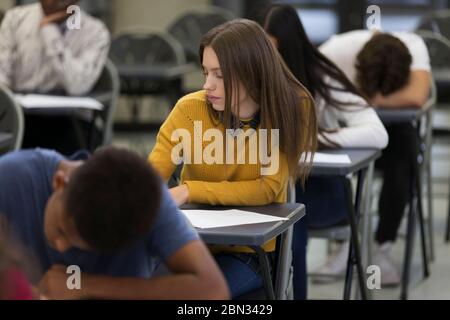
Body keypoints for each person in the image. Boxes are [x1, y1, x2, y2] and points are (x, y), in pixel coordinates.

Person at [148, 19, 318, 298]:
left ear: (252, 73)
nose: (207, 85)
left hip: (249, 254)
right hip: (189, 244)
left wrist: (190, 189)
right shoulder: (189, 109)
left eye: (220, 75)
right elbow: (151, 177)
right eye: (205, 72)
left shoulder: (289, 109)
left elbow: (267, 188)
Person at [261, 4, 388, 298]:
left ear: (289, 50)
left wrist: (321, 137)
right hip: (281, 187)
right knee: (275, 211)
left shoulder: (322, 75)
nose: (272, 63)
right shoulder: (263, 79)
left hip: (325, 194)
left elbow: (377, 132)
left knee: (291, 217)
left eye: (276, 53)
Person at [0, 147, 229, 299]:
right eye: (62, 230)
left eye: (83, 246)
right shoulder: (12, 178)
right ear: (60, 184)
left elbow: (213, 289)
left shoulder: (147, 205)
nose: (60, 246)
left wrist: (84, 285)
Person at [318, 29, 431, 285]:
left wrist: (373, 99)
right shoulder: (335, 51)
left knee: (404, 156)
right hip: (348, 126)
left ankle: (383, 246)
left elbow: (416, 96)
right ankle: (346, 242)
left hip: (394, 132)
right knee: (331, 158)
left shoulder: (414, 46)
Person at [0, 0, 111, 154]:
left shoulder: (95, 31)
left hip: (68, 121)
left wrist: (48, 29)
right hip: (20, 116)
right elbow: (2, 79)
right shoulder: (15, 18)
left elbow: (76, 85)